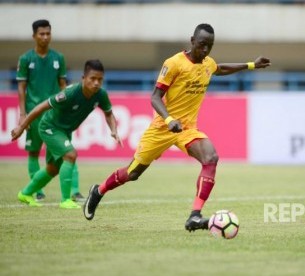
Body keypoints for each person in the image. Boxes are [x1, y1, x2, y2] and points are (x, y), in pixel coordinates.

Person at [83, 23, 271, 232]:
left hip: (187, 129)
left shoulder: (208, 63)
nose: (206, 50)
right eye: (201, 45)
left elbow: (220, 69)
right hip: (162, 128)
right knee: (133, 173)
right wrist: (169, 119)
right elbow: (155, 97)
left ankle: (195, 216)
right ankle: (98, 191)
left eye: (210, 46)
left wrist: (251, 65)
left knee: (211, 158)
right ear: (192, 41)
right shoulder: (173, 63)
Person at [11, 59, 122, 209]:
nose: (96, 83)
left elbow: (109, 113)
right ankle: (65, 200)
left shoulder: (100, 94)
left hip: (64, 131)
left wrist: (114, 130)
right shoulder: (70, 93)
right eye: (93, 78)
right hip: (49, 127)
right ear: (83, 78)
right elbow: (41, 107)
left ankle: (25, 193)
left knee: (53, 169)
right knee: (70, 155)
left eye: (100, 79)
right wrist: (21, 127)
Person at [16, 19, 84, 202]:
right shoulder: (25, 59)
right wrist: (23, 115)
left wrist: (68, 109)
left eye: (48, 33)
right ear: (34, 36)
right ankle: (37, 191)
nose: (45, 37)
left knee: (67, 151)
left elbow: (63, 85)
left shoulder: (58, 58)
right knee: (33, 152)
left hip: (55, 114)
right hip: (33, 112)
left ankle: (75, 191)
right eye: (41, 34)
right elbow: (21, 87)